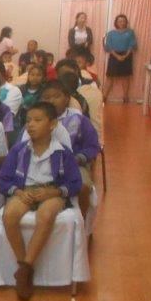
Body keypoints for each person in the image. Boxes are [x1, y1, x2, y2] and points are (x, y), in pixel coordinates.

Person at [0, 101, 82, 301]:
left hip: (51, 191)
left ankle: (26, 269)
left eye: (37, 120)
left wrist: (54, 192)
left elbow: (75, 183)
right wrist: (18, 192)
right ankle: (24, 266)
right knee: (9, 215)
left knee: (46, 214)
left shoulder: (62, 152)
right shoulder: (19, 150)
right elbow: (4, 179)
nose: (31, 125)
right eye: (28, 121)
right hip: (25, 190)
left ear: (52, 124)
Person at [39, 82, 100, 215]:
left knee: (83, 187)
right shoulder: (36, 120)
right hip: (39, 164)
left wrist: (79, 158)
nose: (51, 101)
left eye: (56, 96)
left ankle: (81, 221)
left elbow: (92, 145)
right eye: (47, 98)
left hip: (74, 164)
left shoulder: (79, 119)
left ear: (67, 99)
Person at [103, 14, 137, 104]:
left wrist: (125, 56)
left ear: (126, 22)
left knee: (125, 77)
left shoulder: (130, 32)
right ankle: (104, 97)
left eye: (123, 21)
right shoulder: (111, 33)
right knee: (109, 77)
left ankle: (125, 97)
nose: (121, 22)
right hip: (113, 55)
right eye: (119, 21)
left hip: (127, 55)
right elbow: (108, 46)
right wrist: (117, 56)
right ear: (116, 22)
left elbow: (132, 45)